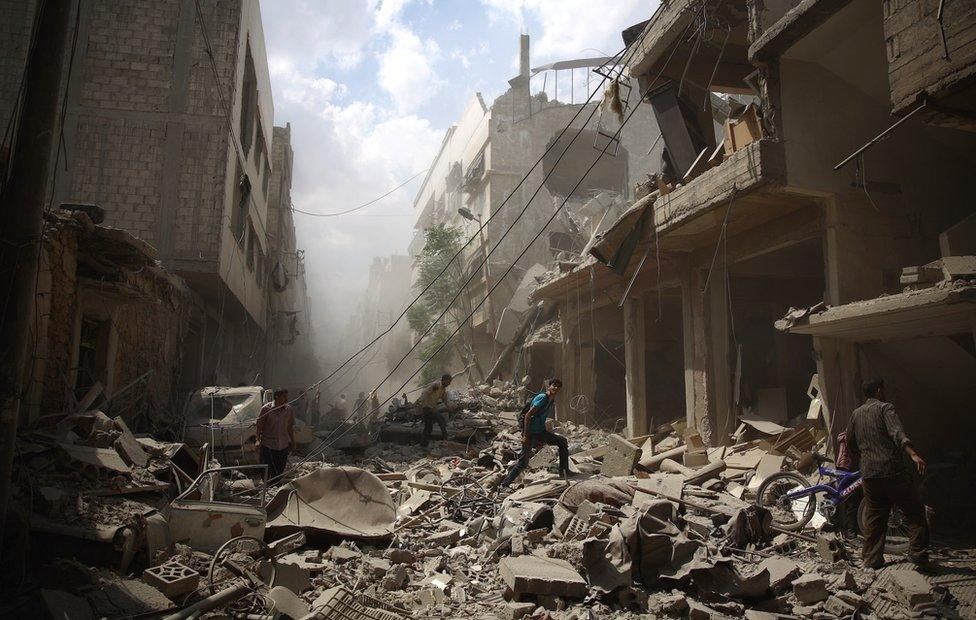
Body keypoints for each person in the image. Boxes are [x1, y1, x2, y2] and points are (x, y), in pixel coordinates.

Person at [845, 378, 928, 568]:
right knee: (915, 513)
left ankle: (872, 560)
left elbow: (850, 442)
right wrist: (913, 454)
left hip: (870, 474)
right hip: (892, 470)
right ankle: (917, 553)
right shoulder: (885, 408)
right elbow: (897, 432)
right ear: (880, 390)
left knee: (875, 518)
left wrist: (867, 454)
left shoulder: (856, 414)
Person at [501, 379, 569, 487]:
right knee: (523, 463)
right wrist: (526, 435)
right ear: (549, 386)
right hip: (531, 433)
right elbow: (528, 415)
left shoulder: (551, 399)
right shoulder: (543, 398)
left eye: (558, 387)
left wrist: (542, 438)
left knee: (562, 441)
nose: (556, 388)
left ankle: (565, 472)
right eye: (554, 385)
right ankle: (504, 484)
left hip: (540, 432)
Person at [256, 389, 295, 480]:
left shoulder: (289, 410)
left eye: (286, 397)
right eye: (284, 397)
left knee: (280, 468)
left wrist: (293, 441)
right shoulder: (266, 409)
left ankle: (275, 487)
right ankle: (267, 486)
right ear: (277, 397)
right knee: (267, 468)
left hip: (283, 445)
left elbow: (290, 427)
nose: (286, 399)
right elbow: (259, 426)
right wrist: (257, 440)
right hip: (268, 445)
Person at [417, 373, 452, 447]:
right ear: (444, 380)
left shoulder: (443, 389)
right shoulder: (436, 385)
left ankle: (423, 445)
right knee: (440, 417)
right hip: (427, 408)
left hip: (431, 408)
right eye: (449, 381)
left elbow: (444, 399)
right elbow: (425, 393)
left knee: (428, 429)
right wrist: (424, 404)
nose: (449, 383)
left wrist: (449, 407)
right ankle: (446, 437)